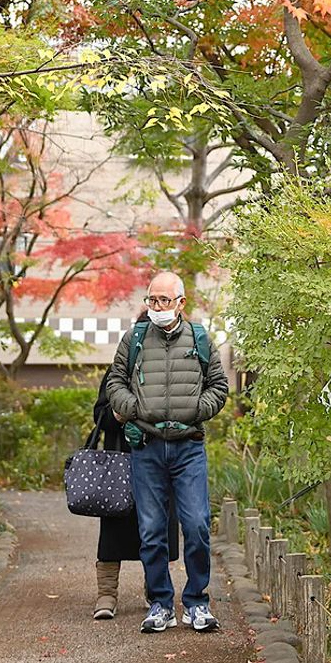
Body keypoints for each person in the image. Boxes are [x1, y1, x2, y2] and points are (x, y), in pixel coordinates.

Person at [107, 270, 228, 634]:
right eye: (151, 299)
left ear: (180, 303)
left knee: (196, 525)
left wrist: (196, 409)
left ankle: (196, 602)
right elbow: (114, 381)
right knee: (152, 530)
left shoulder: (201, 339)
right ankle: (160, 603)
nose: (156, 306)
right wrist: (135, 408)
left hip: (189, 447)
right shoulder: (135, 339)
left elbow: (219, 387)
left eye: (163, 300)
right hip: (146, 447)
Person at [90, 315, 179, 620]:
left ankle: (155, 592)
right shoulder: (118, 369)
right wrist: (117, 414)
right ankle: (106, 594)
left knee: (157, 530)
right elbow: (99, 414)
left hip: (164, 458)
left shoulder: (177, 368)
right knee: (115, 529)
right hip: (122, 463)